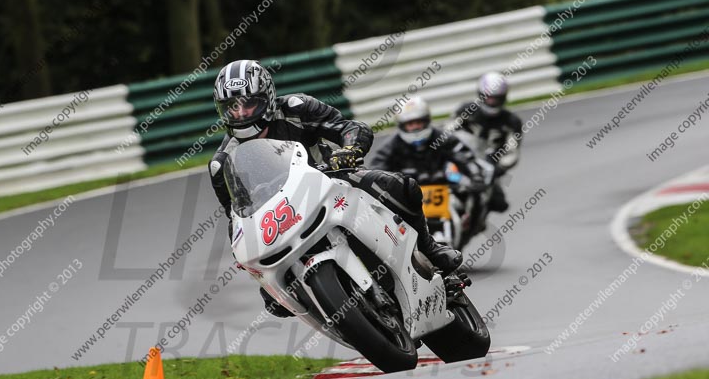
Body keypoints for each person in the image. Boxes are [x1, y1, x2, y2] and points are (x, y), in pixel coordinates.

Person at [208, 60, 464, 317]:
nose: (240, 114)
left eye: (248, 104)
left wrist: (349, 150)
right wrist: (242, 250)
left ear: (267, 97)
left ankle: (429, 247)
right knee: (275, 302)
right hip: (281, 219)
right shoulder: (223, 162)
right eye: (232, 108)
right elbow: (236, 216)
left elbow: (350, 128)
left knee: (399, 186)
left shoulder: (297, 109)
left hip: (332, 181)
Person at [371, 96, 487, 232]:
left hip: (446, 188)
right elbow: (376, 171)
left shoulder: (443, 137)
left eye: (418, 123)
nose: (415, 128)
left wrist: (476, 175)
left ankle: (474, 224)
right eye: (410, 124)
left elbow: (465, 157)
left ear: (426, 121)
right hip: (409, 196)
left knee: (479, 193)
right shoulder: (390, 147)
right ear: (402, 125)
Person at [453, 72, 522, 212]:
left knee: (499, 204)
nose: (492, 102)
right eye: (489, 98)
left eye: (496, 98)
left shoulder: (511, 121)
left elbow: (513, 151)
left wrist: (501, 167)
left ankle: (477, 219)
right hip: (459, 159)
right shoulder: (466, 111)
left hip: (488, 167)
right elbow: (447, 131)